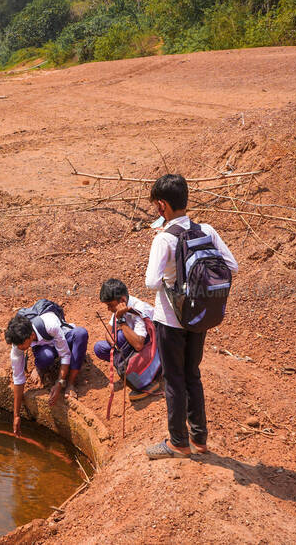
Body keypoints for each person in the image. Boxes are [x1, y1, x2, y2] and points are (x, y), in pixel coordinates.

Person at [144, 174, 238, 459]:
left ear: (162, 206)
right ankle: (199, 440)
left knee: (173, 380)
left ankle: (177, 443)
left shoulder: (164, 239)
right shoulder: (207, 230)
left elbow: (150, 282)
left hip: (170, 320)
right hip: (199, 315)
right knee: (192, 375)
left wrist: (172, 281)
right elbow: (232, 266)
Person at [5, 309, 89, 436]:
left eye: (22, 345)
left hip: (62, 339)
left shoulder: (50, 325)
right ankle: (41, 368)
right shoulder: (18, 343)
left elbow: (65, 355)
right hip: (45, 348)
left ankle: (71, 383)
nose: (19, 349)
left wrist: (60, 383)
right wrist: (16, 415)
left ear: (31, 336)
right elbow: (18, 377)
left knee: (81, 334)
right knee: (45, 357)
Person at [93, 278, 160, 400]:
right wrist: (113, 341)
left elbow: (139, 344)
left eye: (110, 305)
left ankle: (146, 375)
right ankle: (127, 368)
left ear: (122, 300)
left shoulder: (139, 309)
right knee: (100, 348)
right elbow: (108, 331)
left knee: (121, 336)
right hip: (134, 345)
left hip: (152, 348)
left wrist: (121, 322)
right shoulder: (120, 306)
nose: (108, 309)